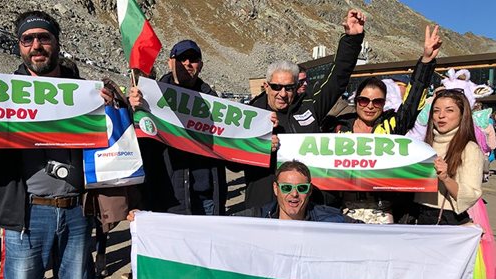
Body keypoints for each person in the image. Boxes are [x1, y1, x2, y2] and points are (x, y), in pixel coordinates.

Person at [0, 11, 113, 279]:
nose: (37, 46)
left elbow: (119, 124)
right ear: (20, 47)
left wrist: (120, 99)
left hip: (75, 210)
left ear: (56, 42)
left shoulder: (84, 89)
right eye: (28, 40)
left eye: (43, 38)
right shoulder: (4, 91)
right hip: (28, 213)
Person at [243, 9, 366, 210]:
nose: (282, 93)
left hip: (305, 206)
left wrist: (352, 40)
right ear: (267, 86)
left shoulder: (309, 106)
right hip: (264, 208)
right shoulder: (250, 115)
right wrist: (256, 145)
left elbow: (337, 80)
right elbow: (229, 160)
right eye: (276, 87)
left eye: (289, 88)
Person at [330, 25, 441, 223]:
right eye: (364, 100)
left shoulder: (391, 125)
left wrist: (426, 61)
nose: (370, 106)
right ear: (356, 102)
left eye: (377, 102)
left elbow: (412, 103)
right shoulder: (338, 128)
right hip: (345, 211)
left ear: (383, 104)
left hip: (383, 212)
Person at [129, 40, 227, 215]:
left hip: (205, 200)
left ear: (201, 65)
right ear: (170, 62)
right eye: (182, 58)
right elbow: (137, 144)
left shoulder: (214, 102)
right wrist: (134, 110)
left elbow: (230, 150)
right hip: (166, 199)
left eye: (193, 59)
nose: (187, 63)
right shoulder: (151, 98)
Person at [412, 89, 484, 225]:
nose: (441, 116)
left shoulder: (469, 148)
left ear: (462, 115)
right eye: (436, 110)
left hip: (445, 218)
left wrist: (445, 178)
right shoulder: (423, 145)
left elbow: (471, 194)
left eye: (449, 110)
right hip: (416, 215)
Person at [235, 160, 349, 222]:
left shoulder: (328, 219)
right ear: (276, 189)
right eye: (286, 188)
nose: (294, 194)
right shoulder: (257, 218)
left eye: (301, 188)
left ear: (309, 191)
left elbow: (361, 230)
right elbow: (222, 226)